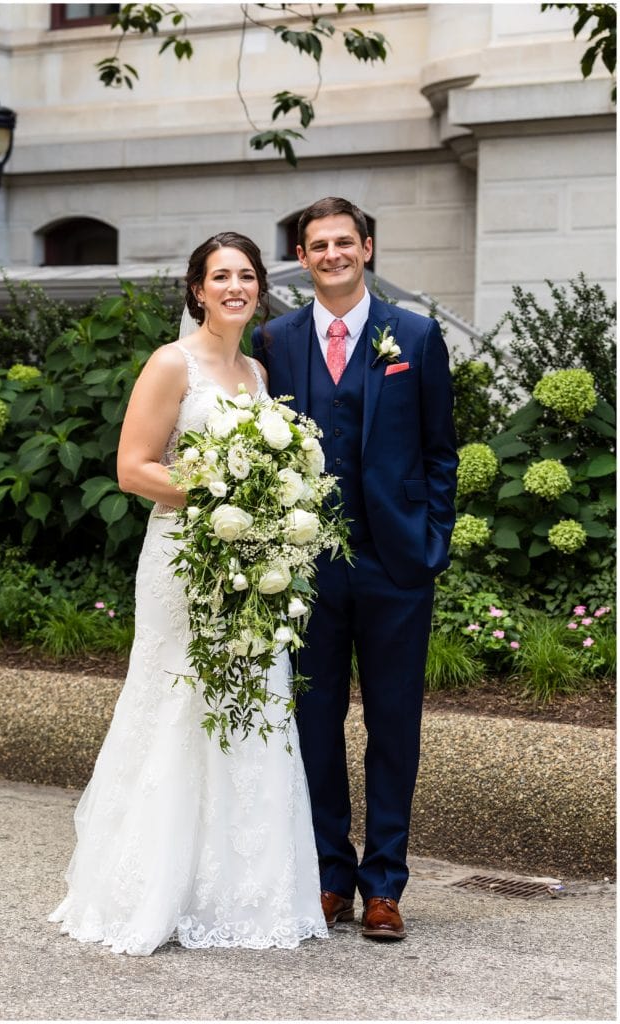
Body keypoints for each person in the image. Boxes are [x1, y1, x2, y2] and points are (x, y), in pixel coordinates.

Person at [49, 232, 328, 954]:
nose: (233, 286)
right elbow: (132, 467)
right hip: (184, 562)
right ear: (196, 291)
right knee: (179, 702)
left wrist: (270, 516)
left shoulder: (259, 373)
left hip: (250, 565)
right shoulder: (171, 364)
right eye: (219, 276)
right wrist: (223, 495)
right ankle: (154, 886)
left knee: (250, 703)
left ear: (259, 288)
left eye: (245, 275)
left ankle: (238, 892)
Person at [253, 197, 457, 940]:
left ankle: (385, 885)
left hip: (395, 561)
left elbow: (440, 450)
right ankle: (328, 875)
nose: (332, 254)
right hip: (305, 568)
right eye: (317, 244)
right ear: (302, 258)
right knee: (312, 721)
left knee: (394, 723)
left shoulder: (415, 336)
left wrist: (430, 542)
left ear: (366, 248)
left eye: (344, 241)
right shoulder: (273, 340)